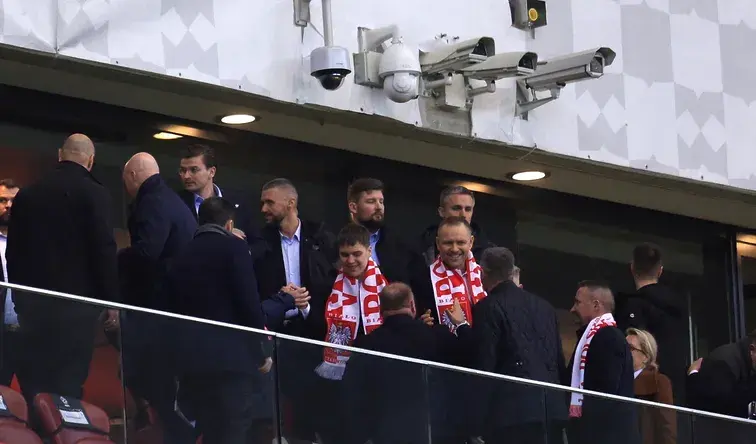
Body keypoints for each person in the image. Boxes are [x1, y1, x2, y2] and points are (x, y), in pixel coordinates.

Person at [6, 134, 119, 404]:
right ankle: (63, 424)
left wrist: (21, 299)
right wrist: (111, 302)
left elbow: (14, 252)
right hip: (78, 309)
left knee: (36, 379)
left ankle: (38, 423)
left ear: (60, 154)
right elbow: (103, 251)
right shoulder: (97, 194)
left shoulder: (28, 194)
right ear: (90, 161)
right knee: (69, 381)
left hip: (34, 306)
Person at [165, 197, 276, 444]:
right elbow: (248, 303)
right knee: (232, 430)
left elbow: (170, 307)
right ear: (229, 225)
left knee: (209, 430)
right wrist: (261, 351)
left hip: (191, 364)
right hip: (231, 363)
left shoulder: (181, 254)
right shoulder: (235, 248)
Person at [119, 152, 198, 444]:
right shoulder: (171, 200)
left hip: (159, 310)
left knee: (155, 383)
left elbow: (147, 251)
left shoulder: (152, 201)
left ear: (133, 176)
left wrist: (117, 258)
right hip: (176, 308)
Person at [255, 178, 337, 443]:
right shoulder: (259, 241)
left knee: (309, 409)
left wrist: (307, 307)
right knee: (270, 409)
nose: (263, 209)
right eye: (262, 203)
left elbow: (332, 285)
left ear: (290, 203)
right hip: (273, 334)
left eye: (269, 202)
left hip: (311, 333)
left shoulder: (322, 238)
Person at [341, 282, 469, 444]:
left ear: (380, 310)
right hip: (433, 432)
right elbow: (470, 358)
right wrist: (461, 324)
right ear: (412, 305)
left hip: (385, 434)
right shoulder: (437, 336)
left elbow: (353, 394)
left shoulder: (366, 344)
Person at [472, 247, 567, 444]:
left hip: (511, 415)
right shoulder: (546, 307)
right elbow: (559, 361)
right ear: (511, 271)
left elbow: (485, 365)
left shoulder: (488, 307)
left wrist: (476, 420)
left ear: (483, 273)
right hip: (552, 410)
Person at [567, 280, 640, 444]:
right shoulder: (595, 337)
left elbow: (605, 392)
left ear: (596, 305)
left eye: (578, 302)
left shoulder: (608, 337)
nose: (573, 309)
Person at [616, 243, 688, 398]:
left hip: (643, 392)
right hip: (675, 390)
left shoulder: (631, 306)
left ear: (632, 268)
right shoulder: (679, 309)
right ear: (660, 271)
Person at [176, 144, 265, 260]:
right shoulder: (176, 202)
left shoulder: (238, 202)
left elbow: (260, 246)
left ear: (212, 172)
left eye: (194, 170)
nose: (186, 176)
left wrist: (241, 250)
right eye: (182, 171)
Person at [411, 217, 487, 328]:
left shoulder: (484, 275)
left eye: (460, 242)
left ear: (471, 242)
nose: (454, 249)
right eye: (448, 243)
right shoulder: (422, 280)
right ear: (438, 243)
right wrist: (421, 324)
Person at [347, 177, 412, 284]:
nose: (379, 207)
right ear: (354, 207)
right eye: (371, 201)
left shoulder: (399, 245)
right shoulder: (335, 242)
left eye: (381, 202)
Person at [416, 186, 496, 266]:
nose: (463, 214)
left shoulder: (490, 252)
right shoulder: (420, 247)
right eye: (457, 208)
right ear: (442, 212)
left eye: (468, 209)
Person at [626, 328, 676, 444]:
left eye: (630, 348)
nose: (623, 352)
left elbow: (667, 427)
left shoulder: (658, 381)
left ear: (646, 356)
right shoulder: (616, 381)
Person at [0, 179, 20, 386]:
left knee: (35, 392)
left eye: (14, 201)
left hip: (28, 329)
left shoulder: (32, 240)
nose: (9, 206)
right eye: (2, 200)